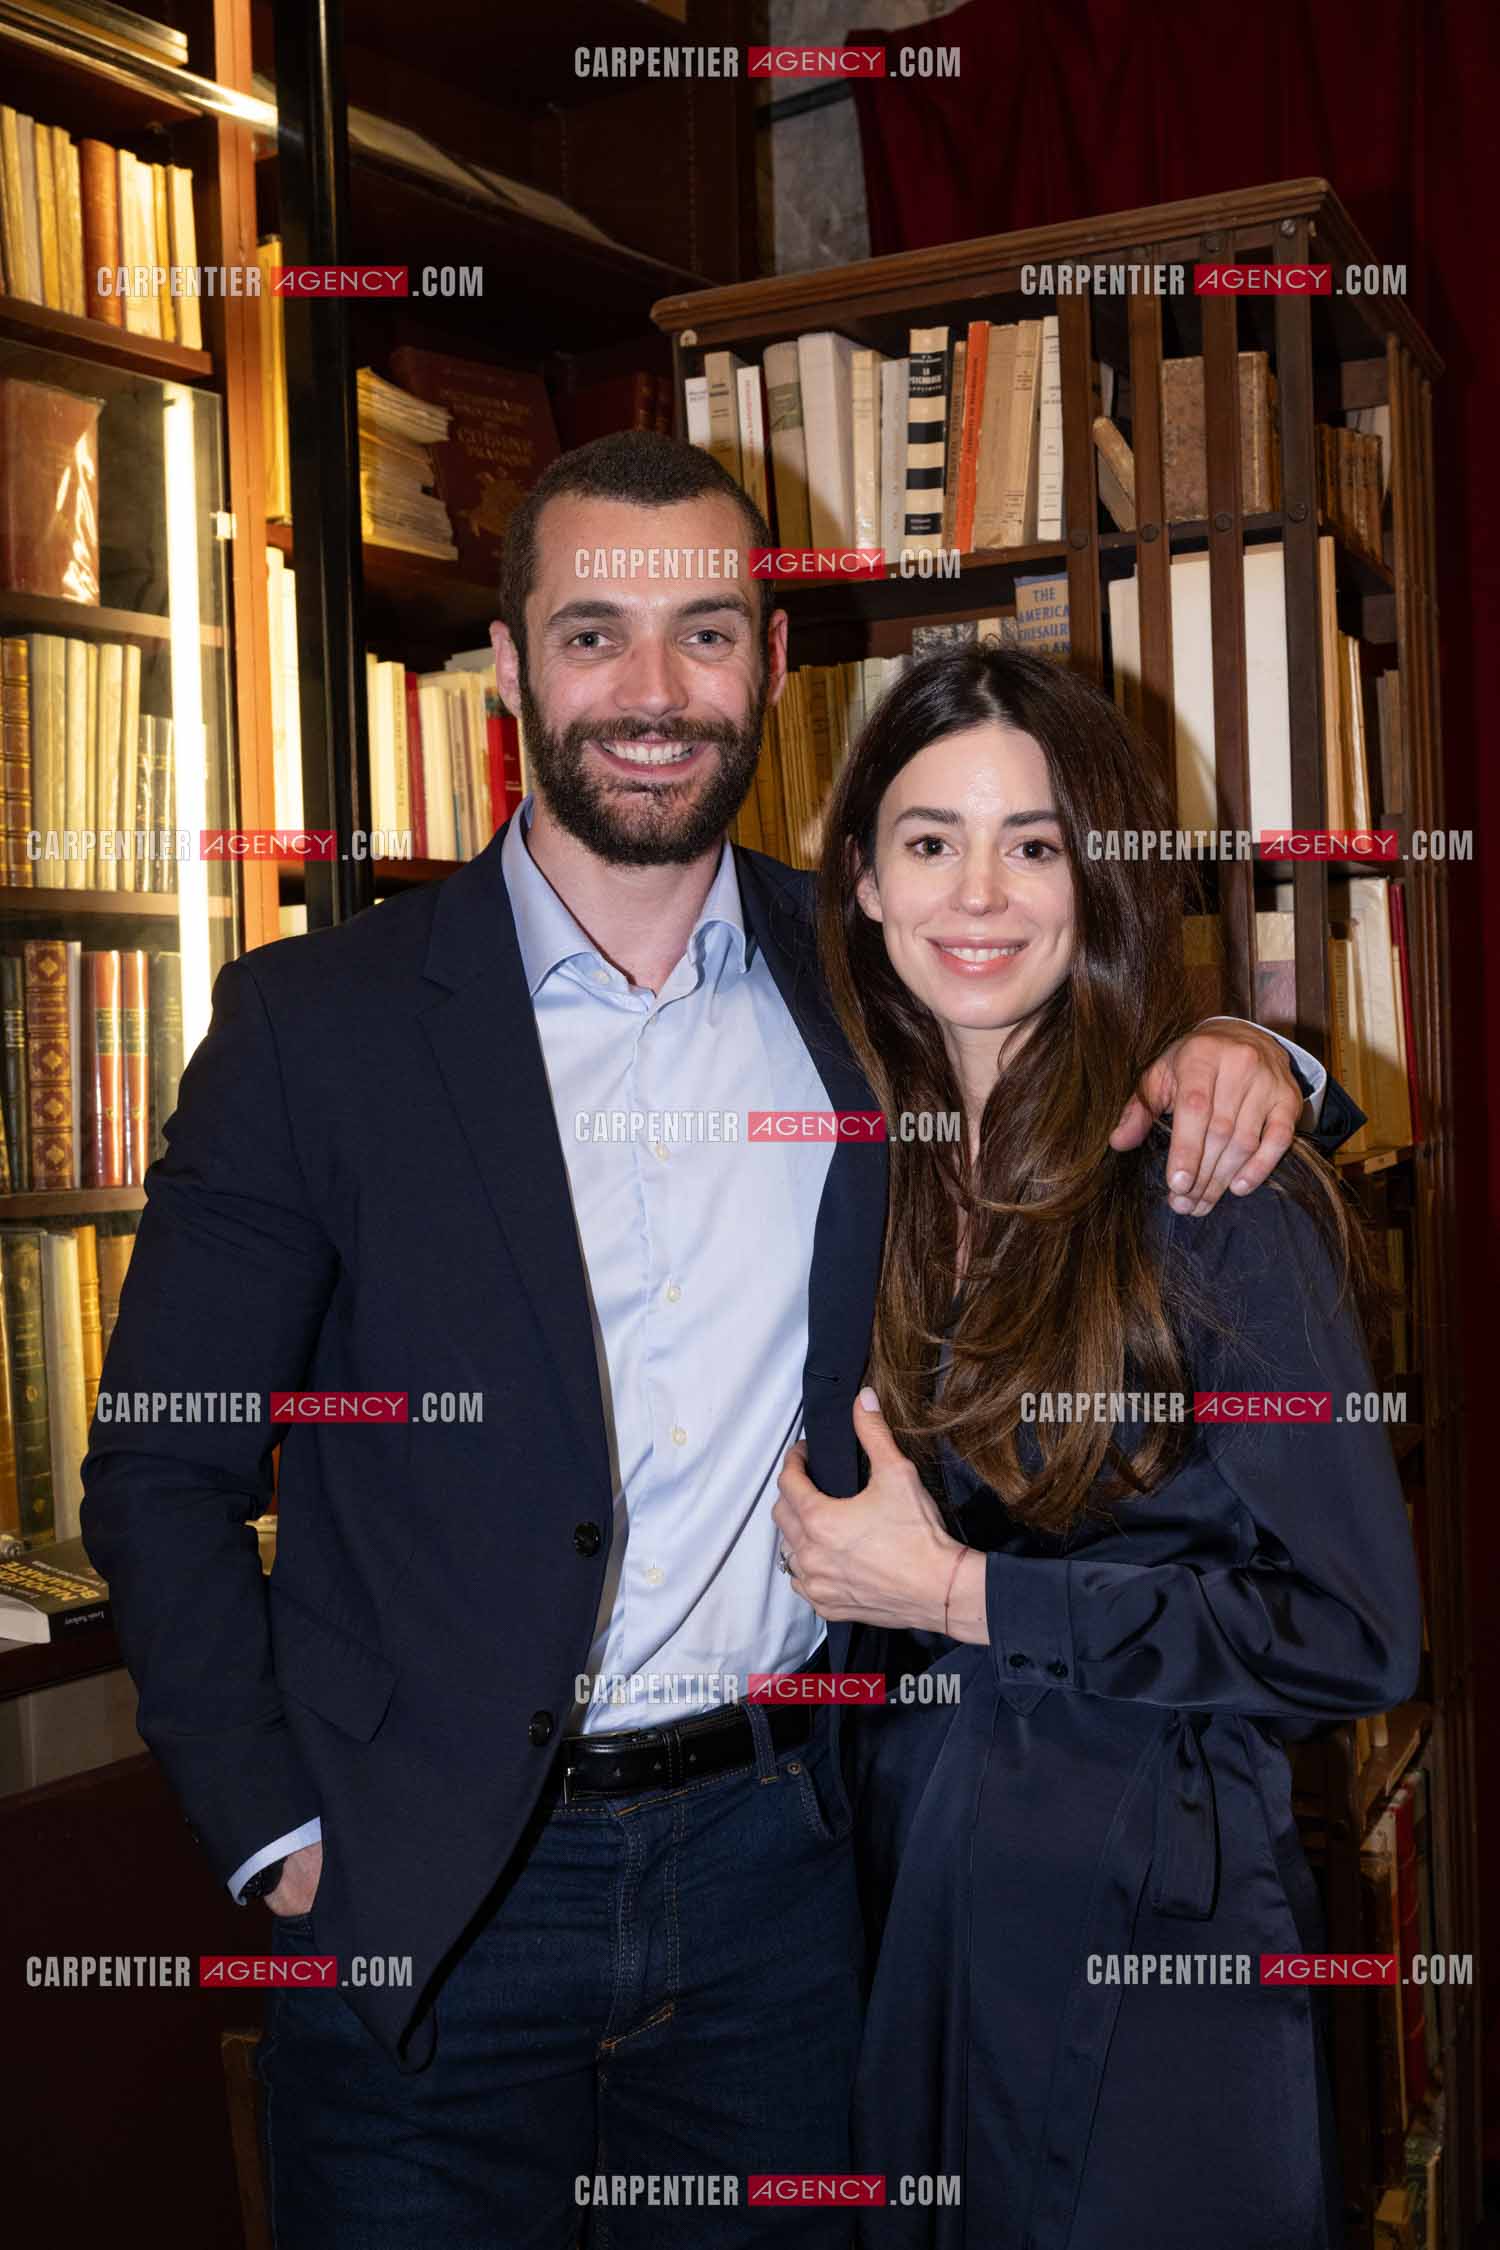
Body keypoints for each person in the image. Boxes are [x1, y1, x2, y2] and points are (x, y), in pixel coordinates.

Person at [80, 435, 1348, 2249]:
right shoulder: (315, 1026)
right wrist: (277, 1830)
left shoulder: (872, 981)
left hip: (785, 1879)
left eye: (704, 635)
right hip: (431, 1894)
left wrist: (1253, 1056)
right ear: (509, 668)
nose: (654, 693)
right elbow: (162, 1462)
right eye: (594, 634)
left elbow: (1077, 1018)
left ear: (770, 665)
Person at [772, 645, 1423, 2250]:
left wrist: (969, 1597)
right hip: (908, 1896)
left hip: (1152, 1923)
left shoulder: (1209, 1193)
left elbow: (1360, 1632)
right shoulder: (867, 1167)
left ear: (1098, 875)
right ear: (858, 880)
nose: (978, 891)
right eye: (930, 841)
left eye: (1036, 842)